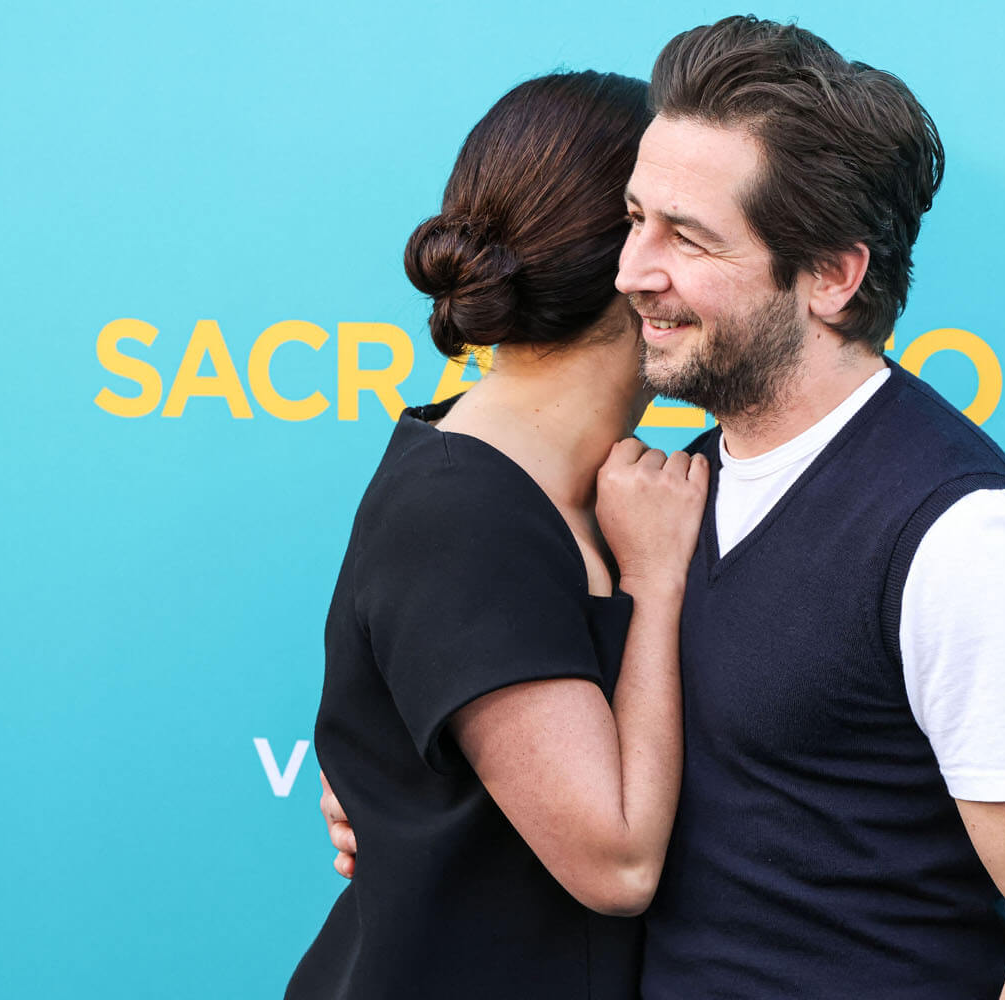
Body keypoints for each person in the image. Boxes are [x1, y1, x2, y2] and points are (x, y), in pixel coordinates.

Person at [326, 17, 1005, 998]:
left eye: (689, 236)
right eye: (634, 219)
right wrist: (399, 782)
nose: (631, 271)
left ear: (832, 276)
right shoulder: (661, 495)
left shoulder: (970, 543)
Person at [288, 70, 707, 1000]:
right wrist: (656, 583)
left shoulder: (616, 489)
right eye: (686, 229)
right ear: (631, 259)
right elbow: (618, 863)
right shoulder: (462, 511)